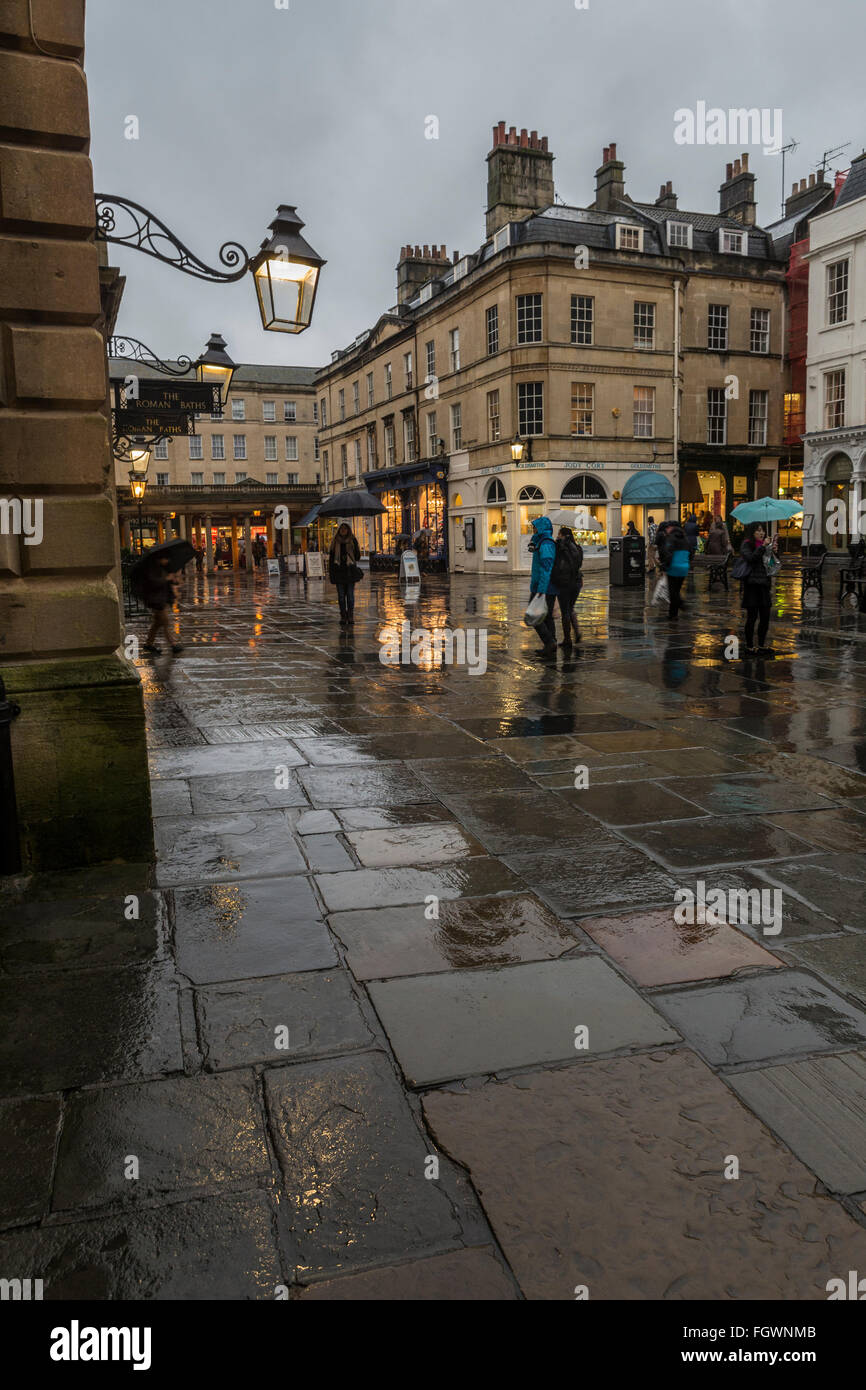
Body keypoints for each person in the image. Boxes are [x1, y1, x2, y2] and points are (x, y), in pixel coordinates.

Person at [739, 523, 779, 655]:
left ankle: (761, 645)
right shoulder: (747, 544)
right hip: (752, 585)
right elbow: (751, 558)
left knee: (765, 616)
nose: (761, 533)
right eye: (758, 531)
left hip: (764, 585)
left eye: (762, 531)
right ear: (752, 532)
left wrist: (774, 552)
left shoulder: (765, 546)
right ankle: (750, 646)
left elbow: (771, 565)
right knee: (752, 617)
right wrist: (762, 547)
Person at [527, 515, 559, 657]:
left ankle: (549, 642)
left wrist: (541, 590)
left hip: (544, 588)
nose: (532, 529)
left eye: (534, 527)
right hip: (543, 587)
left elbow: (546, 568)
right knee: (546, 617)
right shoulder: (541, 541)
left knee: (534, 616)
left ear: (540, 528)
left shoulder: (546, 543)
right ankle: (551, 644)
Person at [140, 553, 183, 656]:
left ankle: (148, 644)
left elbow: (166, 583)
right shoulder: (152, 569)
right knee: (166, 622)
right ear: (160, 559)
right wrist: (166, 579)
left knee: (157, 624)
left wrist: (173, 580)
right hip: (156, 600)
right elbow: (153, 583)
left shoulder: (162, 568)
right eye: (165, 558)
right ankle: (173, 645)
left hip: (161, 599)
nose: (167, 560)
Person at [552, 525, 583, 649]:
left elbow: (557, 563)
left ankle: (567, 639)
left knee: (565, 610)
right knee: (570, 608)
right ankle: (576, 632)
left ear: (563, 535)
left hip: (564, 582)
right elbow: (579, 564)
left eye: (559, 534)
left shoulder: (561, 547)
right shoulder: (577, 547)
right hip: (577, 581)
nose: (557, 536)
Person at [655, 519, 690, 619]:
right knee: (676, 590)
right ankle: (673, 614)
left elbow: (668, 553)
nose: (666, 529)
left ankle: (682, 605)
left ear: (672, 528)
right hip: (684, 567)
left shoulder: (671, 538)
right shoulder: (685, 538)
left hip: (673, 567)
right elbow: (691, 552)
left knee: (673, 592)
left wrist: (665, 566)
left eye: (668, 527)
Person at [328, 521, 361, 625]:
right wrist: (331, 573)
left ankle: (350, 615)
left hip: (350, 572)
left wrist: (354, 548)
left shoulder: (352, 540)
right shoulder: (335, 542)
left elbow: (357, 557)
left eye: (345, 528)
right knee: (341, 597)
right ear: (339, 531)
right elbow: (331, 559)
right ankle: (343, 615)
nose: (343, 530)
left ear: (348, 530)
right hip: (339, 573)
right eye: (341, 528)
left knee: (350, 596)